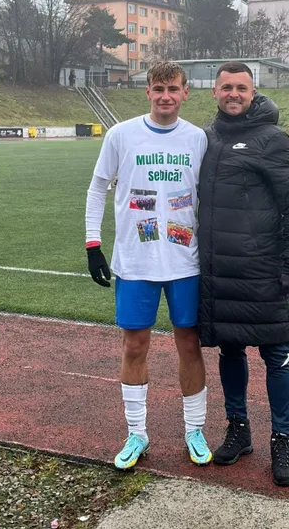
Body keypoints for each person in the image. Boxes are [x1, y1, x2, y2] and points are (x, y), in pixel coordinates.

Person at [85, 61, 212, 470]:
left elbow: (209, 198)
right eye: (159, 89)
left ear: (186, 92)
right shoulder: (121, 135)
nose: (165, 96)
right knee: (134, 345)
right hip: (136, 263)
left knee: (188, 345)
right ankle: (137, 433)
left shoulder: (198, 139)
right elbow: (98, 187)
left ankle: (194, 429)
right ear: (148, 92)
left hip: (185, 262)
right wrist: (92, 243)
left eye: (173, 89)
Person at [197, 61, 289, 487]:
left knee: (276, 356)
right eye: (226, 87)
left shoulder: (273, 139)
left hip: (262, 269)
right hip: (219, 271)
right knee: (230, 351)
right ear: (214, 92)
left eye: (241, 88)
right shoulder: (206, 139)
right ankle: (239, 429)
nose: (234, 94)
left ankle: (282, 441)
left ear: (252, 92)